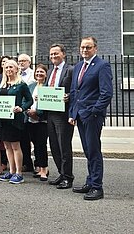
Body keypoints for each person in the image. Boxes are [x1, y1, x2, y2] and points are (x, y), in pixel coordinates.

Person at [69, 36, 113, 201]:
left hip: (92, 116)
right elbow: (75, 92)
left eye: (88, 47)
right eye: (82, 47)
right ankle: (90, 181)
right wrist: (73, 113)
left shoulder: (102, 66)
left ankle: (97, 187)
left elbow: (106, 93)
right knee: (88, 150)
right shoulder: (79, 66)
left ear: (95, 48)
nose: (85, 50)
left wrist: (95, 111)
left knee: (94, 150)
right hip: (80, 115)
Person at [0, 59, 33, 184]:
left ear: (16, 69)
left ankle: (19, 173)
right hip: (3, 119)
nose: (8, 70)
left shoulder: (21, 84)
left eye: (11, 67)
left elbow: (29, 100)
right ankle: (11, 171)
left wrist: (21, 108)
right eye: (6, 68)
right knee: (7, 146)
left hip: (15, 120)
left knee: (16, 146)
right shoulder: (3, 85)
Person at [46, 43, 75, 189]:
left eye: (56, 53)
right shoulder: (51, 71)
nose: (53, 56)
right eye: (51, 54)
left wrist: (68, 96)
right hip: (50, 113)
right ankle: (61, 173)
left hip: (63, 114)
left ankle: (68, 177)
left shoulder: (70, 70)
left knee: (64, 146)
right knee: (54, 146)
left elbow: (76, 90)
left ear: (63, 54)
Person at [26, 64, 49, 181]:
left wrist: (37, 114)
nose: (39, 74)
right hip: (30, 119)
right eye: (37, 72)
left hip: (42, 121)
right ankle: (39, 167)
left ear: (46, 74)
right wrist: (29, 112)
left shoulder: (48, 86)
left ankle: (44, 169)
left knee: (41, 145)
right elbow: (26, 100)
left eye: (42, 72)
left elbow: (49, 104)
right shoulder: (31, 86)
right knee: (35, 145)